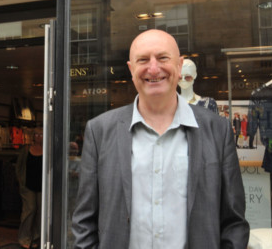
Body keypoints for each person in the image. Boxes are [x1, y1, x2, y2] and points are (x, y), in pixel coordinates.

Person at [72, 30, 249, 248]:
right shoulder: (99, 131)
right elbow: (84, 222)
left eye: (163, 58)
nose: (153, 68)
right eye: (143, 60)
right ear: (131, 69)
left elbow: (234, 222)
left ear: (179, 64)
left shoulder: (217, 130)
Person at [15, 127, 43, 249]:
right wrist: (21, 182)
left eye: (41, 134)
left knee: (41, 212)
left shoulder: (48, 149)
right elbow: (19, 166)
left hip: (43, 186)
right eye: (36, 134)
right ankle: (24, 238)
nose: (38, 137)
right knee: (29, 210)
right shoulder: (26, 150)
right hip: (28, 186)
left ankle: (37, 237)